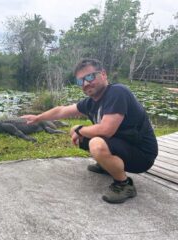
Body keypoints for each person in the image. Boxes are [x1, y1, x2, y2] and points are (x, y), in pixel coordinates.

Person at [22, 58, 158, 204]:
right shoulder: (91, 102)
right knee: (75, 130)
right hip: (124, 144)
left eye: (90, 76)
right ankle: (107, 166)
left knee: (96, 143)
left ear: (103, 74)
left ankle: (124, 185)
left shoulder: (117, 92)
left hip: (142, 154)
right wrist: (38, 118)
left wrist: (81, 130)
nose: (86, 83)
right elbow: (62, 110)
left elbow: (106, 130)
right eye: (81, 81)